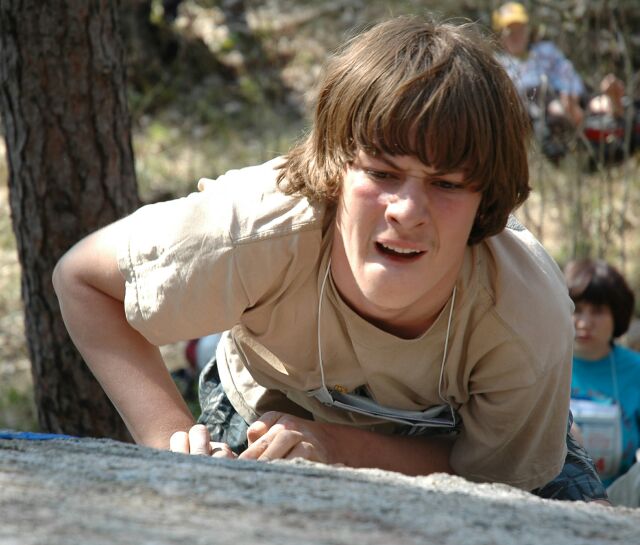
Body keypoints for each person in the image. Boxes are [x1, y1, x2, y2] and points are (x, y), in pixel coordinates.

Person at [52, 16, 607, 501]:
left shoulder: (526, 314)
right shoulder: (254, 229)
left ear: (486, 199)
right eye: (383, 173)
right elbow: (83, 280)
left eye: (446, 183)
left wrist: (338, 447)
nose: (407, 211)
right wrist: (172, 443)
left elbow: (496, 478)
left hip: (463, 443)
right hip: (263, 412)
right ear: (335, 168)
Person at [492, 2, 629, 163]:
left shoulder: (546, 50)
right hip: (540, 107)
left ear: (528, 30)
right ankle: (579, 114)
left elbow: (567, 72)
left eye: (520, 29)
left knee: (589, 100)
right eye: (510, 32)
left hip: (569, 93)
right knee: (550, 105)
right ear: (499, 36)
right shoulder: (498, 64)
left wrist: (571, 92)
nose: (517, 36)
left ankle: (608, 106)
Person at [565, 259, 640, 493]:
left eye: (597, 311)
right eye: (576, 309)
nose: (584, 323)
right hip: (548, 496)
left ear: (617, 315)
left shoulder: (635, 370)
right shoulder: (540, 364)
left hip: (619, 498)